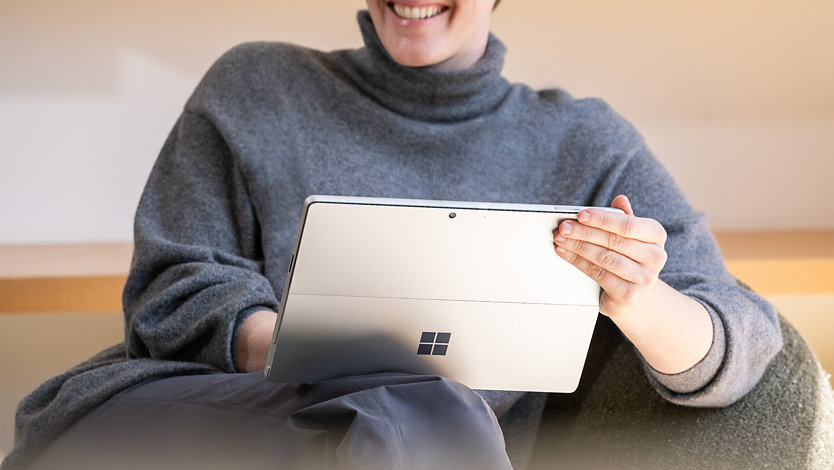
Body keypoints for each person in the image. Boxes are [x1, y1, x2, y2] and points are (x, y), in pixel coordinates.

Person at [3, 1, 783, 469]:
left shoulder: (582, 141)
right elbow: (168, 290)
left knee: (426, 417)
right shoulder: (256, 86)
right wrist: (315, 350)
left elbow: (738, 335)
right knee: (426, 412)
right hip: (205, 411)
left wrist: (640, 294)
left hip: (405, 450)